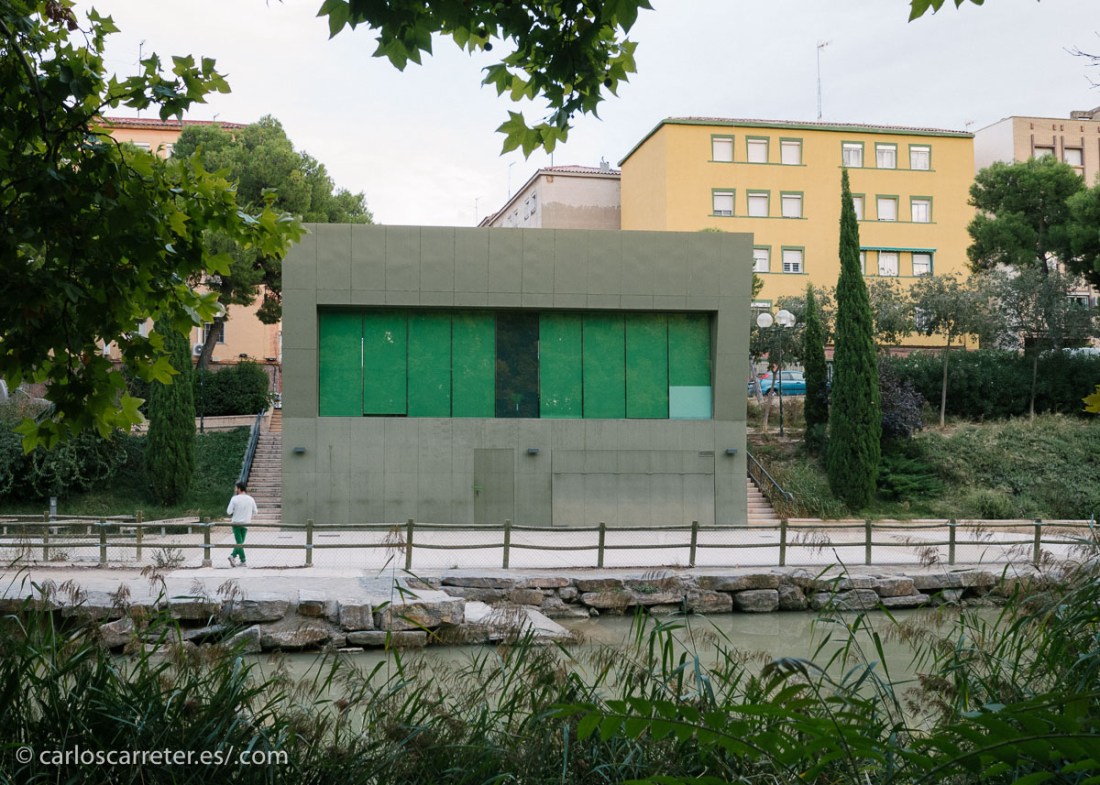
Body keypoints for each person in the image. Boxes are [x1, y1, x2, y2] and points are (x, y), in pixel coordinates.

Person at [226, 481, 258, 568]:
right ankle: (242, 560)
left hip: (236, 523)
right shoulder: (250, 499)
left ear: (239, 489)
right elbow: (255, 511)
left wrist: (236, 511)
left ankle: (234, 556)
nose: (235, 490)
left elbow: (229, 512)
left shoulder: (234, 499)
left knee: (239, 542)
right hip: (246, 523)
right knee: (241, 542)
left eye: (236, 488)